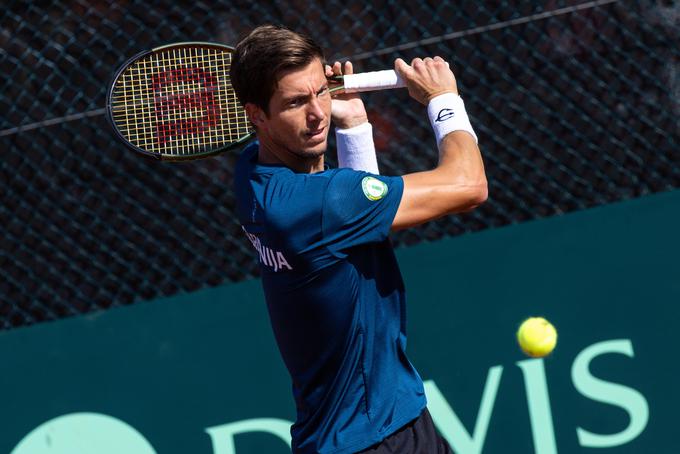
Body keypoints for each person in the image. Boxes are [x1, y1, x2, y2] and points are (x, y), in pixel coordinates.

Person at [231, 25, 487, 454]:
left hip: (377, 425)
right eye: (296, 103)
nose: (318, 114)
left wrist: (353, 128)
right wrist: (444, 100)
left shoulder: (252, 172)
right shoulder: (317, 203)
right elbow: (468, 185)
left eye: (321, 91)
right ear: (257, 115)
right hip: (376, 439)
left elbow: (356, 226)